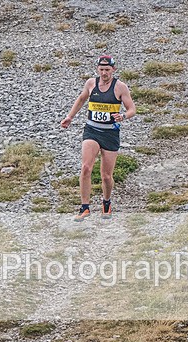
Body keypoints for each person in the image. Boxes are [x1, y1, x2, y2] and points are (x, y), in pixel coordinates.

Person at [60, 55, 136, 221]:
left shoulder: (120, 87)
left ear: (113, 70)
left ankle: (106, 202)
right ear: (97, 69)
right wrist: (70, 117)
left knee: (106, 176)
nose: (104, 73)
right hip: (91, 130)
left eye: (107, 70)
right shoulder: (91, 83)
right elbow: (81, 99)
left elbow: (132, 109)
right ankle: (84, 207)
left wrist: (123, 116)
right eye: (101, 70)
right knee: (86, 167)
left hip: (110, 134)